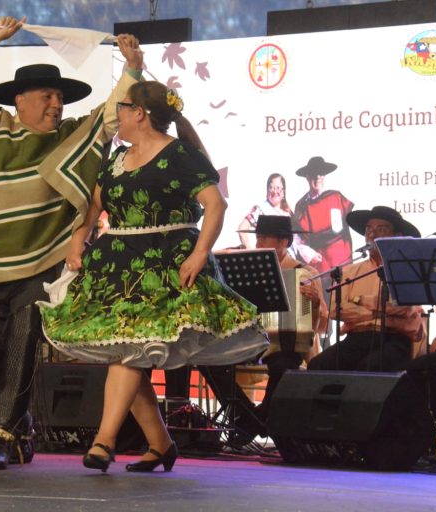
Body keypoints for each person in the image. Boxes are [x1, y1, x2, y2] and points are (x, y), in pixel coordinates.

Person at [0, 15, 144, 469]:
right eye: (48, 96)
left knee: (24, 333)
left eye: (60, 97)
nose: (56, 105)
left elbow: (107, 116)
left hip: (45, 256)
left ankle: (0, 435)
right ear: (20, 101)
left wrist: (132, 69)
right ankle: (20, 426)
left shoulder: (68, 137)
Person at [38, 81, 268, 472]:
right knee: (128, 351)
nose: (118, 116)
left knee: (128, 350)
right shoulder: (116, 158)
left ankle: (104, 441)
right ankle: (161, 444)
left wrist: (199, 254)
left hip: (163, 265)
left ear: (139, 113)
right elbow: (94, 209)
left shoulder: (180, 154)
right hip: (117, 267)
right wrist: (78, 239)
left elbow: (215, 205)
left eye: (122, 108)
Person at [202, 215, 328, 445]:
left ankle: (252, 421)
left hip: (284, 343)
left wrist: (315, 303)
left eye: (264, 239)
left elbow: (321, 324)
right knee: (210, 362)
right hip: (250, 340)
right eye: (258, 238)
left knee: (284, 364)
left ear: (283, 243)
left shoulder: (303, 273)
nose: (259, 244)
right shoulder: (247, 269)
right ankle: (250, 416)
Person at [308, 206, 424, 372]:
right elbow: (336, 309)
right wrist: (377, 312)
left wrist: (359, 301)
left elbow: (401, 308)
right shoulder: (349, 271)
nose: (372, 233)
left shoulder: (407, 269)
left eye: (381, 229)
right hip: (357, 338)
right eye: (368, 229)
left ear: (397, 236)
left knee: (370, 367)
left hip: (394, 339)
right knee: (318, 365)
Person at [293, 156, 354, 272]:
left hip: (342, 261)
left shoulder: (336, 197)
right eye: (313, 174)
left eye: (321, 173)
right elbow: (297, 237)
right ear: (307, 177)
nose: (317, 177)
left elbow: (349, 225)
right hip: (318, 264)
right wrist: (308, 254)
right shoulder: (301, 205)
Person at [237, 173, 292, 249]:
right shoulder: (260, 209)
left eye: (278, 188)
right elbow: (242, 228)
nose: (275, 191)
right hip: (270, 255)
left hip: (286, 256)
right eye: (271, 187)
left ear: (283, 191)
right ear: (267, 190)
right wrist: (250, 250)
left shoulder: (288, 211)